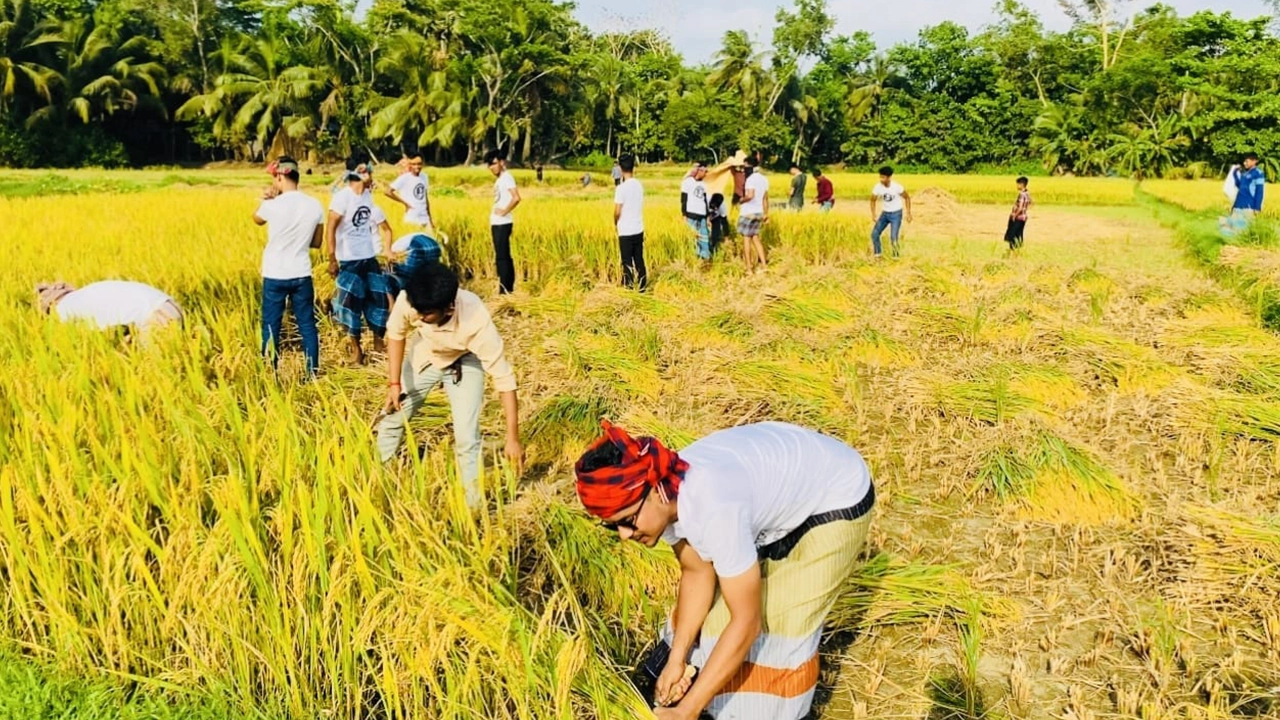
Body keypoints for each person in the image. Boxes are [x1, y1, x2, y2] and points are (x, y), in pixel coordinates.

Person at [574, 420, 876, 720]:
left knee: (777, 629)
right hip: (786, 479)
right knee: (715, 620)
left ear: (655, 492)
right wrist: (676, 660)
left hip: (836, 496)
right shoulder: (668, 492)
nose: (626, 535)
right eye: (614, 527)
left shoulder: (712, 507)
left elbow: (747, 622)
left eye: (628, 521)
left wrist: (687, 711)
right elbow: (696, 573)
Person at [376, 263, 525, 509]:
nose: (419, 316)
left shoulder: (475, 318)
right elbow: (396, 334)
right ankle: (379, 480)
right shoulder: (411, 299)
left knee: (467, 437)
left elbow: (505, 380)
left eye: (426, 314)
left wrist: (513, 438)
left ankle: (472, 507)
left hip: (464, 360)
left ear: (449, 308)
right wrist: (394, 384)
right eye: (417, 311)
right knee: (392, 419)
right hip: (426, 353)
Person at [254, 155, 324, 377]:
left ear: (280, 176)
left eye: (274, 178)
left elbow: (256, 219)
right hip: (302, 273)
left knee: (271, 326)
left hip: (275, 274)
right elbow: (316, 242)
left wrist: (267, 197)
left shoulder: (272, 205)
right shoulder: (315, 205)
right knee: (307, 325)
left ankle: (270, 371)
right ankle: (311, 373)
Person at [327, 151, 394, 365]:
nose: (368, 173)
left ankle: (377, 343)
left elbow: (383, 226)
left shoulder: (368, 196)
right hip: (349, 260)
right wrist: (332, 259)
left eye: (369, 169)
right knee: (350, 306)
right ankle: (357, 351)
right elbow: (330, 228)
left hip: (368, 258)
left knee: (378, 300)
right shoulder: (342, 198)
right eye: (364, 170)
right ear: (354, 173)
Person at [35, 280, 183, 334]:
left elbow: (85, 343)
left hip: (155, 318)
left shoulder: (62, 310)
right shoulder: (87, 291)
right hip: (171, 306)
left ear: (51, 304)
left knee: (152, 377)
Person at [486, 149, 521, 294]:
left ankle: (505, 289)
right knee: (502, 256)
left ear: (502, 162)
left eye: (493, 163)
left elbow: (516, 197)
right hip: (498, 223)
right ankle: (506, 288)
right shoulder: (501, 179)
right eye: (489, 165)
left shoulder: (507, 177)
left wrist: (504, 211)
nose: (491, 167)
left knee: (502, 257)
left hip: (502, 223)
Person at [614, 154, 647, 291]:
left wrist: (615, 223)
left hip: (625, 231)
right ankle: (642, 287)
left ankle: (628, 288)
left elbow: (617, 211)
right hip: (638, 228)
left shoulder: (621, 188)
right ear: (633, 167)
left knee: (627, 261)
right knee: (639, 259)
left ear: (621, 169)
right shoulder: (639, 185)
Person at [869, 166, 912, 259]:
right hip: (885, 214)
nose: (881, 179)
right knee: (874, 234)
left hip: (896, 214)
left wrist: (908, 213)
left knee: (893, 237)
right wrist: (873, 214)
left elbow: (907, 197)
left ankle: (896, 257)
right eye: (880, 177)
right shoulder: (877, 187)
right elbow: (872, 200)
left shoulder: (897, 187)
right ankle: (878, 255)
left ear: (889, 177)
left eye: (883, 177)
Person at [385, 150, 433, 231]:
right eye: (414, 164)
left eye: (419, 164)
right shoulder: (405, 178)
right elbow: (387, 191)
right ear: (410, 165)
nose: (417, 167)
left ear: (423, 164)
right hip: (412, 218)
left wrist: (430, 219)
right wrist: (405, 203)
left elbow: (425, 198)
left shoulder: (424, 177)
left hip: (425, 218)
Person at [738, 156, 769, 274]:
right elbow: (765, 198)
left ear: (749, 166)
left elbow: (750, 195)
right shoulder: (764, 179)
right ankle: (764, 266)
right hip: (759, 212)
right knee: (755, 238)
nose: (743, 169)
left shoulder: (750, 179)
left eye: (744, 166)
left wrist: (741, 200)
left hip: (748, 213)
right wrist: (766, 214)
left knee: (746, 240)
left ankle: (749, 268)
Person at [681, 162, 712, 264]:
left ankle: (705, 257)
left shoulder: (704, 184)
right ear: (700, 171)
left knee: (704, 236)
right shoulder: (688, 182)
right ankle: (694, 257)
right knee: (692, 237)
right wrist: (684, 214)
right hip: (691, 214)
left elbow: (705, 201)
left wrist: (708, 217)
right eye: (705, 172)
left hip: (702, 214)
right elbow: (684, 199)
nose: (706, 174)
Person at [1004, 176, 1032, 252]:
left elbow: (1019, 207)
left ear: (1022, 184)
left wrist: (1015, 215)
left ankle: (1012, 252)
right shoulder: (1027, 193)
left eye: (1018, 184)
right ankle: (1017, 253)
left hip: (1018, 218)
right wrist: (1024, 210)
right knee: (1019, 235)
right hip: (1023, 217)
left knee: (1012, 235)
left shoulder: (1021, 194)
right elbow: (1030, 203)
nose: (1017, 186)